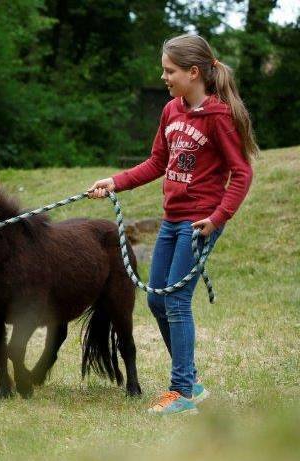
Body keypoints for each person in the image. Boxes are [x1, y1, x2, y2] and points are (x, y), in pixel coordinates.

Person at [87, 34, 255, 416]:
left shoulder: (219, 117)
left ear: (193, 72)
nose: (163, 77)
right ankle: (190, 381)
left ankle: (181, 393)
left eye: (169, 71)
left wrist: (217, 218)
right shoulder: (171, 111)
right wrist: (115, 181)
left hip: (200, 223)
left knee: (176, 300)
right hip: (172, 219)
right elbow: (156, 163)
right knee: (155, 299)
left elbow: (242, 173)